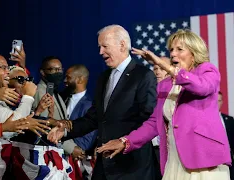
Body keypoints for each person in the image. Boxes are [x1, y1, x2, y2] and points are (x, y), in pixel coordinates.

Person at [97, 29, 231, 179]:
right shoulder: (165, 85)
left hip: (204, 161)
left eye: (179, 49)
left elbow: (201, 87)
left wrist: (165, 66)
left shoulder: (207, 71)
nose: (173, 53)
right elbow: (154, 122)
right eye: (171, 50)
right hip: (174, 161)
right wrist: (126, 141)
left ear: (194, 53)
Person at [47, 24, 157, 180]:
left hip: (132, 167)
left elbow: (149, 121)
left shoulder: (143, 76)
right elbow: (94, 118)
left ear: (122, 45)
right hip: (105, 165)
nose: (101, 52)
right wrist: (65, 130)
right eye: (99, 47)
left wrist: (124, 142)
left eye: (105, 46)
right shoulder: (103, 78)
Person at [63, 64, 98, 180]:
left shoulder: (91, 106)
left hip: (78, 164)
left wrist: (69, 146)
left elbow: (86, 142)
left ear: (80, 79)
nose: (64, 80)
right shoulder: (62, 98)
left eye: (68, 77)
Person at [219, 91, 234, 179]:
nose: (217, 103)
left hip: (229, 163)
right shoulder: (204, 121)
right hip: (212, 163)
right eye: (215, 101)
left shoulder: (230, 120)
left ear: (222, 102)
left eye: (219, 101)